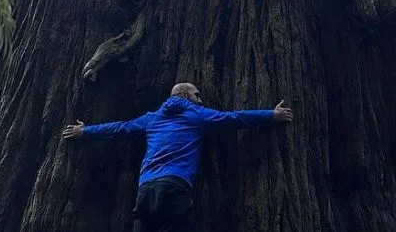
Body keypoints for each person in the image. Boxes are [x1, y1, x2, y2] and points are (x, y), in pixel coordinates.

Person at [62, 82, 293, 232]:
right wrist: (271, 115)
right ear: (185, 94)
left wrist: (85, 131)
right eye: (197, 94)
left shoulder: (152, 118)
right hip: (175, 186)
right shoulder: (196, 115)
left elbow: (120, 129)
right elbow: (234, 118)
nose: (200, 99)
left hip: (146, 189)